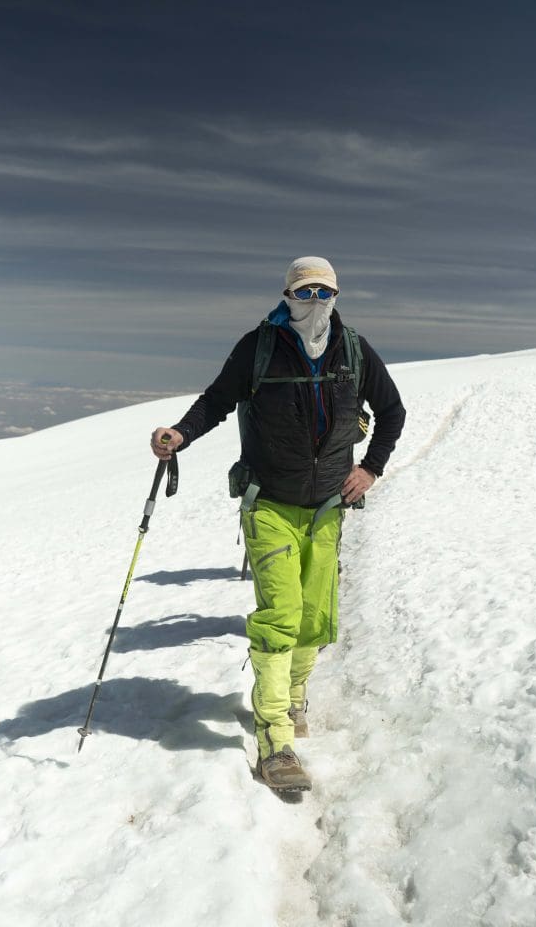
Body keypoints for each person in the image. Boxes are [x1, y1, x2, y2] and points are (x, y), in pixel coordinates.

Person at [151, 256, 406, 791]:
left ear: (336, 296)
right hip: (268, 503)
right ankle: (274, 734)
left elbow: (392, 411)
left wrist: (371, 468)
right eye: (304, 291)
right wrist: (180, 433)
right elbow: (218, 400)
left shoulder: (353, 349)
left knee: (314, 617)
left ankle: (292, 698)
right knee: (281, 614)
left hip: (328, 508)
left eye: (324, 292)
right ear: (287, 295)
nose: (314, 301)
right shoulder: (259, 345)